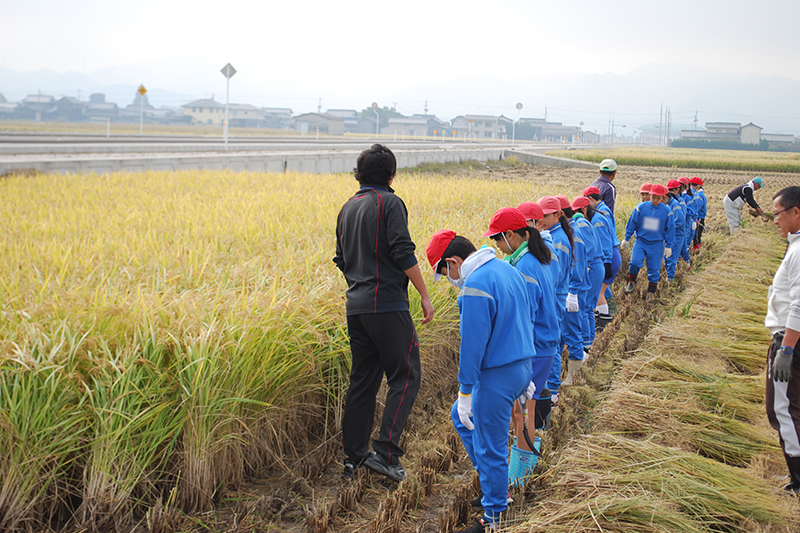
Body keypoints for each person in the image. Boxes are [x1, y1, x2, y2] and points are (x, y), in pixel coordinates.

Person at [333, 144, 434, 482]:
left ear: (360, 174)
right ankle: (386, 454)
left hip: (356, 307)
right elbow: (402, 251)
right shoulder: (389, 202)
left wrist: (360, 284)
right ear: (391, 175)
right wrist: (423, 294)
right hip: (387, 305)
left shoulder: (348, 207)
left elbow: (341, 259)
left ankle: (354, 458)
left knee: (362, 381)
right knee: (405, 376)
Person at [426, 230, 535, 533]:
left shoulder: (474, 286)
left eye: (445, 272)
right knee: (462, 422)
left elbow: (472, 346)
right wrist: (525, 369)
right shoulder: (506, 268)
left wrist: (465, 391)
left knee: (491, 447)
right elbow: (527, 315)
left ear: (453, 261)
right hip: (520, 366)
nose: (449, 278)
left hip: (496, 375)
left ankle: (495, 516)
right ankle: (493, 485)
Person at [484, 207, 557, 482]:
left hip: (534, 347)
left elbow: (526, 314)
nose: (498, 247)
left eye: (498, 240)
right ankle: (525, 468)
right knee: (526, 409)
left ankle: (521, 475)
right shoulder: (535, 258)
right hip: (542, 343)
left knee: (523, 412)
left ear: (512, 236)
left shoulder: (525, 265)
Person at [765, 186, 800, 494]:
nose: (774, 220)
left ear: (795, 212)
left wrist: (786, 349)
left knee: (784, 411)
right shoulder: (796, 245)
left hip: (791, 344)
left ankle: (799, 480)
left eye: (777, 214)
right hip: (790, 341)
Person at [539, 196, 574, 407]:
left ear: (558, 215)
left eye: (545, 216)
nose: (541, 220)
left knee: (550, 343)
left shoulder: (558, 240)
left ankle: (551, 392)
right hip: (557, 294)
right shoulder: (556, 235)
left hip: (556, 295)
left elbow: (555, 274)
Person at [621, 184, 675, 300]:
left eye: (658, 198)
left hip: (656, 244)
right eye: (653, 197)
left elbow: (670, 229)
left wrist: (668, 246)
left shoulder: (667, 211)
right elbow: (632, 223)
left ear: (663, 198)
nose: (655, 200)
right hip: (641, 241)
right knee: (634, 263)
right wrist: (627, 238)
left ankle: (651, 291)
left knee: (654, 269)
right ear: (650, 195)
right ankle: (632, 280)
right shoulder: (640, 208)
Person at [570, 196, 605, 355]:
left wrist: (588, 265)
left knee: (583, 308)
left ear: (582, 210)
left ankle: (585, 346)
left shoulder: (582, 223)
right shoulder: (587, 222)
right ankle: (589, 342)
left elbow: (588, 248)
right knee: (589, 307)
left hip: (592, 267)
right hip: (597, 266)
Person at [583, 186, 619, 331]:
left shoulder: (597, 220)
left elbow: (605, 242)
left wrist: (608, 262)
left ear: (590, 199)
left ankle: (604, 322)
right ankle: (609, 313)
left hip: (608, 256)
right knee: (603, 290)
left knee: (599, 292)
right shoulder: (603, 211)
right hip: (610, 255)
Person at [664, 179, 686, 281]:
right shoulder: (669, 204)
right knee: (667, 256)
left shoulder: (675, 204)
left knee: (671, 257)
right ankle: (669, 275)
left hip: (677, 235)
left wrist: (667, 228)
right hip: (671, 235)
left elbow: (680, 221)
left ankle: (670, 279)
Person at [678, 177, 695, 266]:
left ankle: (686, 262)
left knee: (683, 245)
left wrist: (682, 212)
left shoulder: (687, 198)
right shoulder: (676, 197)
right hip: (676, 225)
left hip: (685, 224)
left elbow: (692, 211)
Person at [690, 177, 708, 250]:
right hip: (700, 215)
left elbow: (697, 207)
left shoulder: (699, 195)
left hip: (699, 216)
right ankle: (695, 245)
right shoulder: (700, 194)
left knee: (697, 231)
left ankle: (697, 245)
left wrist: (695, 216)